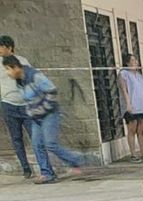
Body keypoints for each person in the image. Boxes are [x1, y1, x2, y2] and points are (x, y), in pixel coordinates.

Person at [3, 55, 85, 184]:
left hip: (49, 114)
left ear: (16, 67)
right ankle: (47, 173)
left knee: (50, 144)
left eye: (8, 69)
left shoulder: (34, 76)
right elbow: (27, 100)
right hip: (36, 116)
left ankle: (76, 161)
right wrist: (32, 112)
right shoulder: (19, 81)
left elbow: (52, 91)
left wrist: (42, 109)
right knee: (37, 145)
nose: (7, 73)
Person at [0, 35, 33, 178]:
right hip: (8, 105)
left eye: (1, 47)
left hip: (26, 105)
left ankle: (45, 167)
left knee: (35, 136)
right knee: (16, 138)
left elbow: (31, 79)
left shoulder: (23, 61)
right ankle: (26, 168)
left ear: (9, 47)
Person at [118, 54, 143, 162]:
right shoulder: (123, 74)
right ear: (127, 63)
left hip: (142, 106)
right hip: (132, 106)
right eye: (133, 60)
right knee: (132, 130)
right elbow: (124, 90)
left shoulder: (140, 76)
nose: (136, 62)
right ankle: (133, 154)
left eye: (136, 60)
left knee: (141, 131)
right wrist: (128, 104)